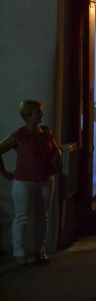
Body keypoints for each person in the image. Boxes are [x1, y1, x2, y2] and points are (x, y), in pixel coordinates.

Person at [0, 100, 62, 267]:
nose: (41, 115)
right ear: (28, 116)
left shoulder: (46, 132)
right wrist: (5, 173)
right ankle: (19, 255)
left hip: (46, 180)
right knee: (22, 217)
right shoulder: (19, 135)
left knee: (43, 217)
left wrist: (58, 155)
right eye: (38, 112)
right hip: (23, 182)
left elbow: (56, 149)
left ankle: (40, 252)